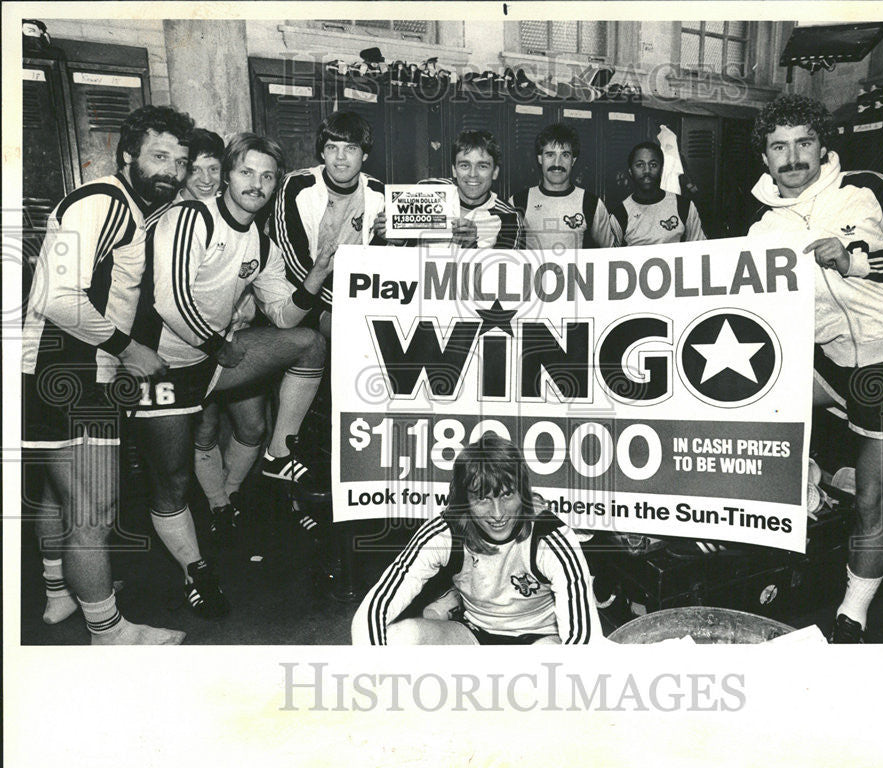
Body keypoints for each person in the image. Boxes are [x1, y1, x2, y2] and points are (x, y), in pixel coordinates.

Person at [746, 94, 883, 643]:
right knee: (748, 424)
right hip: (832, 362)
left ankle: (852, 616)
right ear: (765, 158)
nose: (792, 157)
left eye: (803, 143)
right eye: (778, 146)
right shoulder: (762, 231)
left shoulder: (865, 188)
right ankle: (812, 487)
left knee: (872, 501)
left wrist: (857, 260)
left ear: (822, 146)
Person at [128, 133, 333, 617]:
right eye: (246, 172)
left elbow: (284, 316)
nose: (256, 184)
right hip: (162, 369)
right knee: (172, 483)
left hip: (210, 363)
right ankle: (195, 572)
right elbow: (168, 299)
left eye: (267, 176)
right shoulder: (190, 218)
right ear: (226, 173)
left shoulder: (261, 241)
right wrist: (220, 344)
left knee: (309, 343)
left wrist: (319, 272)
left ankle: (279, 453)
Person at [22, 104, 194, 644]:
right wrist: (128, 348)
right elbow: (57, 296)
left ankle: (59, 595)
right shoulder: (106, 202)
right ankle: (109, 631)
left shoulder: (125, 206)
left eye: (181, 161)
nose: (172, 170)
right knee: (93, 510)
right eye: (159, 156)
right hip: (72, 368)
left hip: (51, 367)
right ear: (129, 157)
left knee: (59, 495)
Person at [352, 434, 602, 645]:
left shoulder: (551, 537)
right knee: (400, 637)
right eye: (483, 498)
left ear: (523, 493)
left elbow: (584, 639)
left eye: (507, 495)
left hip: (541, 638)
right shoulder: (444, 532)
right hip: (474, 635)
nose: (497, 513)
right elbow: (374, 611)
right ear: (464, 501)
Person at [178, 129, 269, 542]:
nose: (205, 179)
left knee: (253, 426)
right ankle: (217, 503)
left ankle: (226, 496)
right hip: (189, 350)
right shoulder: (174, 219)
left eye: (213, 168)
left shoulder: (248, 223)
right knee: (205, 428)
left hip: (233, 338)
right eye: (193, 169)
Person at [272, 111, 386, 339]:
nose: (340, 157)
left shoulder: (378, 192)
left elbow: (379, 263)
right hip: (305, 295)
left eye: (350, 148)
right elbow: (291, 260)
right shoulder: (296, 185)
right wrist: (342, 303)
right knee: (353, 336)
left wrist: (394, 240)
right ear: (322, 152)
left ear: (364, 155)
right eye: (333, 147)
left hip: (356, 295)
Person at [511, 123, 619, 250]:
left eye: (565, 155)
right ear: (540, 159)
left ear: (573, 160)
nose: (557, 163)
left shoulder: (592, 203)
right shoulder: (518, 201)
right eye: (550, 155)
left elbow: (612, 254)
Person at [416, 129, 525, 249]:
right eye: (465, 165)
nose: (473, 174)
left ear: (495, 172)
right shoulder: (428, 191)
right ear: (454, 170)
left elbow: (505, 266)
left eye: (482, 166)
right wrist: (396, 241)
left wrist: (471, 245)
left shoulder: (509, 218)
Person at [610, 141, 707, 246]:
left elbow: (700, 249)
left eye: (653, 164)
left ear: (661, 170)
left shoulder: (684, 206)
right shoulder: (620, 214)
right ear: (630, 171)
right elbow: (609, 258)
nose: (647, 170)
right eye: (639, 165)